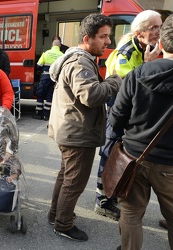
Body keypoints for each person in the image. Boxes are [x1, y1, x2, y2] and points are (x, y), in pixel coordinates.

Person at [109, 12, 173, 250]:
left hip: (134, 157)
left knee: (131, 212)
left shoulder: (139, 73)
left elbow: (116, 117)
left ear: (163, 41)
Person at [47, 14, 122, 242]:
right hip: (77, 133)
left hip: (71, 129)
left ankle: (56, 214)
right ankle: (63, 224)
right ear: (87, 38)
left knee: (66, 176)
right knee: (74, 181)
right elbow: (91, 95)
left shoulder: (79, 58)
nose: (108, 42)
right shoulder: (80, 62)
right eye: (104, 37)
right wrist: (114, 81)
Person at [95, 10, 162, 221]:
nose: (158, 32)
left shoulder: (146, 48)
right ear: (140, 32)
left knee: (123, 157)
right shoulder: (125, 53)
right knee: (110, 154)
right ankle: (103, 202)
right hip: (119, 112)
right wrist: (148, 66)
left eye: (160, 26)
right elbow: (128, 86)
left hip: (133, 114)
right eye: (154, 28)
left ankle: (114, 194)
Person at [33, 39, 63, 121]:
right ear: (59, 46)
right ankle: (46, 115)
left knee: (40, 94)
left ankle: (38, 113)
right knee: (50, 95)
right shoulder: (62, 55)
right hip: (55, 78)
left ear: (52, 45)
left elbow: (39, 65)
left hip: (45, 77)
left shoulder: (46, 53)